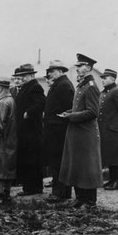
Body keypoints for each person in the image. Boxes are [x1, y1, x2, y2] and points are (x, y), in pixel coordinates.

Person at [58, 53, 103, 208]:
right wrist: (69, 112)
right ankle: (80, 198)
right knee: (77, 165)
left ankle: (90, 201)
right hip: (78, 132)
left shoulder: (91, 87)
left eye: (80, 66)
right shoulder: (82, 85)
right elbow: (80, 108)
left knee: (87, 167)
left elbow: (92, 112)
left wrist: (71, 116)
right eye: (76, 66)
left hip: (86, 133)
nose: (77, 69)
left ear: (89, 68)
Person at [42, 61, 74, 203]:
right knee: (57, 162)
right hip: (55, 129)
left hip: (59, 130)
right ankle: (62, 191)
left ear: (61, 71)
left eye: (53, 71)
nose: (50, 74)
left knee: (58, 162)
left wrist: (58, 121)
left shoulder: (64, 85)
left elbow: (68, 108)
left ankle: (59, 192)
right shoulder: (59, 84)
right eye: (49, 71)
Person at [13, 63, 46, 196]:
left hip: (31, 131)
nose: (22, 78)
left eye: (24, 75)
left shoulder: (35, 87)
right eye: (21, 76)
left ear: (32, 75)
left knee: (31, 160)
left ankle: (33, 188)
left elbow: (41, 103)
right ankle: (29, 187)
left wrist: (29, 113)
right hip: (25, 130)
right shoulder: (26, 87)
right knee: (27, 159)